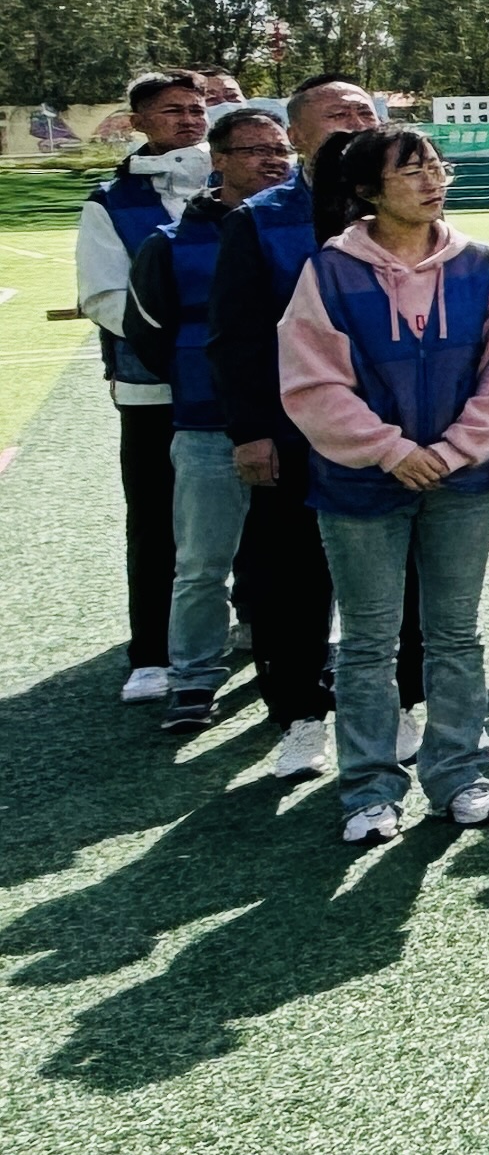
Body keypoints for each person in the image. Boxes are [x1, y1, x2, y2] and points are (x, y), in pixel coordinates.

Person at [279, 125, 489, 839]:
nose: (432, 182)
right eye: (412, 171)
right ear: (367, 190)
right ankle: (368, 791)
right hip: (359, 486)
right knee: (368, 643)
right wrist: (389, 450)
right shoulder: (328, 273)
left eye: (437, 168)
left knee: (456, 635)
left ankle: (461, 775)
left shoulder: (481, 265)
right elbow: (312, 384)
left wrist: (453, 452)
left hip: (461, 481)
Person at [209, 75, 410, 780]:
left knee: (405, 574)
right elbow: (236, 338)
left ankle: (404, 702)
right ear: (295, 136)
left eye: (363, 111)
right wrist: (250, 431)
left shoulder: (410, 209)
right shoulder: (260, 220)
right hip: (298, 436)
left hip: (399, 433)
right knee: (292, 579)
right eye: (335, 114)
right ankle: (300, 715)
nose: (354, 122)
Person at [120, 104, 299, 736]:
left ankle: (307, 662)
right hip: (206, 426)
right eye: (254, 150)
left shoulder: (305, 230)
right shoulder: (168, 244)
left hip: (300, 423)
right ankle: (193, 677)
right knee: (201, 564)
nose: (272, 161)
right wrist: (203, 380)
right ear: (217, 161)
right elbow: (149, 334)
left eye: (280, 149)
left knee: (302, 558)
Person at [78, 69, 210, 700]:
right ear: (137, 123)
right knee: (158, 521)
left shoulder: (235, 180)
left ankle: (255, 624)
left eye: (196, 109)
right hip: (154, 387)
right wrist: (181, 344)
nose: (188, 120)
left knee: (261, 511)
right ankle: (153, 653)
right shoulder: (110, 202)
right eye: (172, 110)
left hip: (239, 385)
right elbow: (104, 296)